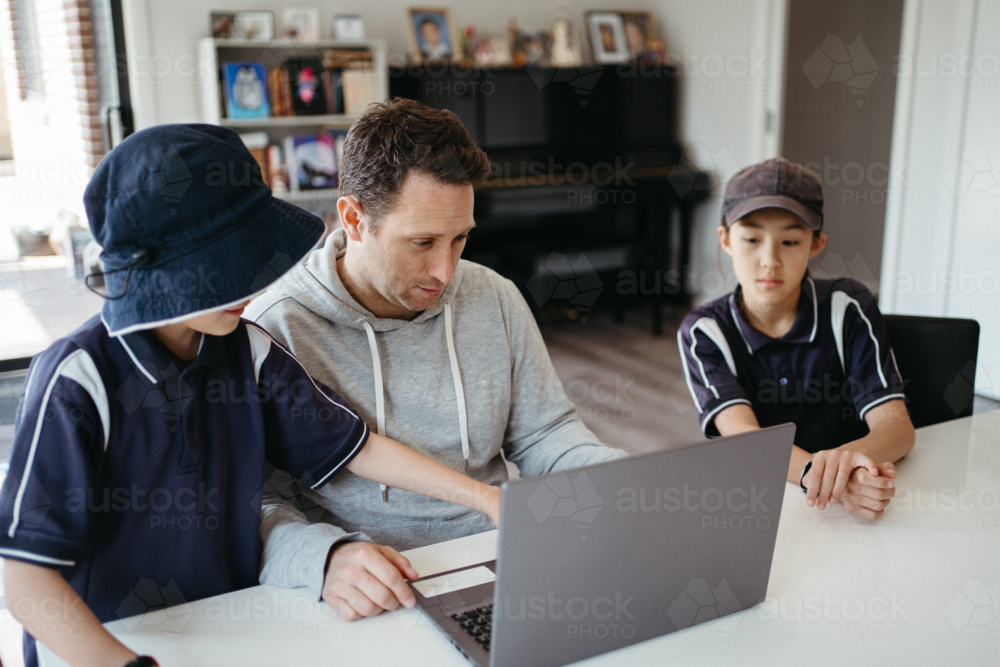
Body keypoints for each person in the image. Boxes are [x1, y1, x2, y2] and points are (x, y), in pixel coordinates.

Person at [0, 124, 500, 667]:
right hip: (107, 645)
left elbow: (357, 448)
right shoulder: (78, 378)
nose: (255, 284)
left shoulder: (246, 349)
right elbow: (24, 575)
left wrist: (485, 498)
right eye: (228, 269)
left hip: (230, 624)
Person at [245, 98, 627, 622]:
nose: (445, 272)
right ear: (354, 218)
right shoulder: (274, 326)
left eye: (461, 238)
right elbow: (251, 502)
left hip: (499, 560)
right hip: (373, 588)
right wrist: (324, 558)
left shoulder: (494, 297)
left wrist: (623, 479)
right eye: (422, 242)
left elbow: (545, 435)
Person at [678, 157, 915, 520]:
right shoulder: (704, 331)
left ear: (816, 242)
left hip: (845, 500)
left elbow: (897, 427)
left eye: (789, 241)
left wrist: (847, 462)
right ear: (725, 238)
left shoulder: (847, 305)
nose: (769, 260)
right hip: (761, 503)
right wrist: (830, 477)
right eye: (752, 239)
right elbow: (746, 437)